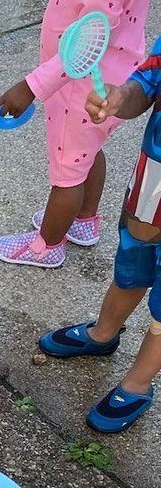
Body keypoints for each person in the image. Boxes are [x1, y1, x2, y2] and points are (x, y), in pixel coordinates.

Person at [0, 0, 156, 269]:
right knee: (85, 154)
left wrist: (31, 86)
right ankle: (84, 220)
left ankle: (46, 246)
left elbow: (90, 39)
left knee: (66, 174)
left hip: (80, 84)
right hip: (110, 78)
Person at [38, 32, 161, 431]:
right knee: (133, 256)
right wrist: (120, 97)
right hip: (156, 174)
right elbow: (149, 81)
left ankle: (138, 383)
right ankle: (103, 333)